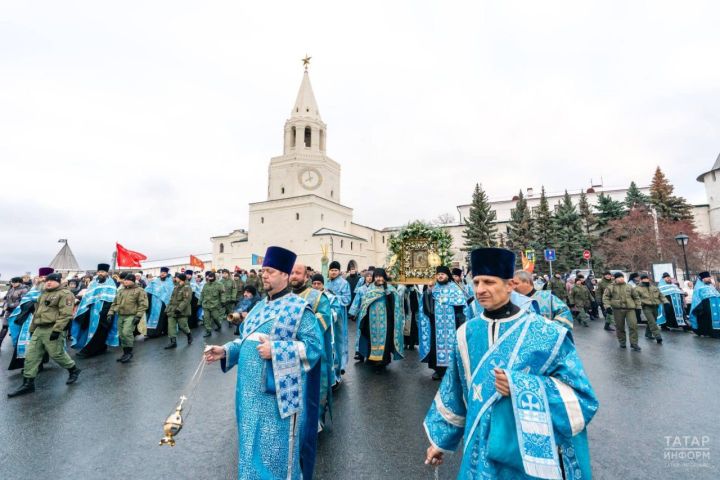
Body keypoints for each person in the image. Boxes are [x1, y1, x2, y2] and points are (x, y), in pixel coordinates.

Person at [424, 247, 598, 477]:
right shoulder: (466, 333)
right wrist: (441, 441)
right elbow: (454, 389)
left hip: (524, 455)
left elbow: (582, 398)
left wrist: (520, 386)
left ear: (510, 285)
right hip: (478, 448)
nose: (480, 290)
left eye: (489, 282)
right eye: (476, 282)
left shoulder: (548, 333)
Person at [204, 246, 323, 480]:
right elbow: (246, 341)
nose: (264, 275)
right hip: (248, 396)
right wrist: (226, 350)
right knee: (249, 450)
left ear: (285, 275)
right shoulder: (259, 307)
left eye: (270, 271)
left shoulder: (299, 309)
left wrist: (277, 349)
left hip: (276, 398)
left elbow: (314, 348)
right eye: (263, 271)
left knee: (274, 455)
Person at [8, 273, 81, 397]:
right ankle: (28, 384)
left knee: (56, 354)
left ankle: (73, 369)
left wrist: (57, 331)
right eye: (47, 280)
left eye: (52, 280)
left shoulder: (65, 294)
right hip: (39, 328)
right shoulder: (43, 294)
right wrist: (32, 329)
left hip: (53, 328)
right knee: (31, 355)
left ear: (59, 282)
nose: (48, 282)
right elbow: (37, 313)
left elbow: (66, 314)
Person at [291, 265, 335, 427]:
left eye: (298, 273)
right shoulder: (284, 297)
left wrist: (297, 330)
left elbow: (324, 318)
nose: (294, 276)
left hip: (313, 351)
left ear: (306, 277)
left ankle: (315, 422)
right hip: (290, 351)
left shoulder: (317, 297)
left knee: (314, 387)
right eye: (291, 273)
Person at [419, 266, 467, 380]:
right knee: (436, 347)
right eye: (438, 274)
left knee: (454, 347)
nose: (440, 276)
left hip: (453, 324)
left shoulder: (455, 288)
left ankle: (453, 371)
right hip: (436, 325)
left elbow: (461, 305)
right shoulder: (433, 289)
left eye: (443, 274)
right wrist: (429, 291)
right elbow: (427, 307)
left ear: (447, 276)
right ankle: (439, 371)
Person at [356, 268, 404, 373]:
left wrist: (388, 294)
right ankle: (372, 361)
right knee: (371, 341)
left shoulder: (390, 289)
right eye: (377, 277)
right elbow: (365, 304)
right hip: (371, 321)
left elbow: (396, 305)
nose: (379, 279)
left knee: (385, 341)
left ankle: (382, 363)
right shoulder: (370, 289)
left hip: (386, 321)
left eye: (380, 276)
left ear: (384, 277)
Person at [6, 267, 53, 370]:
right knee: (31, 343)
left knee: (44, 343)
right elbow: (25, 302)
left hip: (47, 320)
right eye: (41, 277)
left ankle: (70, 367)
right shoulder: (34, 289)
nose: (42, 279)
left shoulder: (56, 291)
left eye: (46, 277)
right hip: (31, 319)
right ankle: (35, 365)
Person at [71, 263, 118, 358]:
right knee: (91, 330)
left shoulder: (111, 283)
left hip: (104, 311)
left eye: (103, 272)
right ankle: (99, 348)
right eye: (99, 271)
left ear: (107, 273)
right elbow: (87, 296)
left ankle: (89, 350)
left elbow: (112, 299)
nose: (101, 273)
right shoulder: (93, 283)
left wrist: (105, 312)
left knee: (100, 331)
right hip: (92, 311)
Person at [107, 272, 149, 363]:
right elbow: (114, 303)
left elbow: (143, 304)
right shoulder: (121, 291)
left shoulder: (139, 290)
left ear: (132, 281)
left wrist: (138, 316)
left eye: (127, 280)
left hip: (131, 315)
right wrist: (110, 313)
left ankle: (129, 353)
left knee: (127, 333)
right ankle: (125, 353)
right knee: (122, 335)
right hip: (121, 315)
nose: (125, 281)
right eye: (124, 280)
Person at [603, 272, 642, 351]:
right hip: (617, 310)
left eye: (622, 277)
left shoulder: (629, 286)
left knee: (633, 326)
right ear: (615, 278)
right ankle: (622, 342)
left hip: (630, 309)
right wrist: (607, 307)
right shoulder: (610, 287)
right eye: (619, 277)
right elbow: (606, 297)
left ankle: (634, 343)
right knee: (620, 327)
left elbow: (636, 297)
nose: (621, 279)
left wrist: (638, 307)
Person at [325, 261, 350, 379]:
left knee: (339, 340)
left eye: (335, 270)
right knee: (329, 340)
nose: (333, 272)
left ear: (339, 271)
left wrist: (333, 297)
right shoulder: (326, 283)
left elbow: (347, 299)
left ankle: (341, 365)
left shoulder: (344, 283)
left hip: (339, 316)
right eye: (331, 270)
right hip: (327, 315)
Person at [349, 269, 374, 359]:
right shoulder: (360, 289)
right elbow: (356, 301)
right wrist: (353, 313)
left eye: (371, 276)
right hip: (362, 314)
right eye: (368, 276)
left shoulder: (375, 289)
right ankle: (359, 351)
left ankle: (371, 351)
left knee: (371, 332)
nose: (369, 278)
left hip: (373, 314)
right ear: (365, 278)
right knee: (360, 332)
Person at [636, 274, 667, 344]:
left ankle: (648, 333)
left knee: (653, 320)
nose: (646, 280)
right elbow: (636, 298)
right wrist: (639, 305)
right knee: (652, 322)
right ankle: (658, 336)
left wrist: (666, 302)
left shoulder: (654, 287)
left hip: (655, 306)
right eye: (644, 278)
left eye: (647, 278)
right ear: (641, 280)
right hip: (646, 307)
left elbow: (661, 295)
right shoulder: (637, 289)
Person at [164, 273, 193, 349]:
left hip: (182, 311)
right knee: (171, 326)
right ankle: (173, 342)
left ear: (180, 279)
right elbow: (171, 299)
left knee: (183, 326)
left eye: (176, 277)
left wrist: (179, 309)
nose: (175, 278)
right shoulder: (176, 287)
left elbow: (187, 300)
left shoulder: (187, 288)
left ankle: (189, 334)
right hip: (172, 310)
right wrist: (167, 309)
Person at [145, 266, 174, 338]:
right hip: (154, 302)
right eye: (161, 272)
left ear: (167, 274)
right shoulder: (155, 281)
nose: (162, 274)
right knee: (152, 316)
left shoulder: (169, 283)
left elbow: (170, 293)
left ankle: (160, 332)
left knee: (162, 318)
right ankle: (151, 333)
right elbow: (148, 290)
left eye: (164, 273)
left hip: (164, 303)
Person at [689, 272, 720, 338]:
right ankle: (707, 332)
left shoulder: (711, 286)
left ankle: (715, 332)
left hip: (715, 307)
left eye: (709, 277)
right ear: (703, 279)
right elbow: (696, 299)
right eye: (707, 278)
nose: (709, 279)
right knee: (706, 319)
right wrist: (700, 307)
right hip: (704, 307)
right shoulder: (698, 287)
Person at [1, 277, 29, 350]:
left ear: (20, 282)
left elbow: (22, 301)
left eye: (15, 282)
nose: (13, 283)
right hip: (8, 311)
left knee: (15, 330)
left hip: (17, 312)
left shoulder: (24, 290)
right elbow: (7, 298)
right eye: (12, 282)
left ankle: (17, 347)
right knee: (4, 326)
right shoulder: (12, 288)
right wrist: (5, 305)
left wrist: (11, 306)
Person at [200, 271, 225, 338]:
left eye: (211, 277)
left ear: (214, 277)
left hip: (215, 305)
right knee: (206, 319)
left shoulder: (219, 284)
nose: (210, 278)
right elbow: (202, 294)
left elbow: (222, 293)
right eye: (209, 277)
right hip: (206, 305)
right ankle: (208, 331)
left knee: (215, 317)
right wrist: (199, 302)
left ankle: (219, 325)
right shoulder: (206, 285)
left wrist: (223, 301)